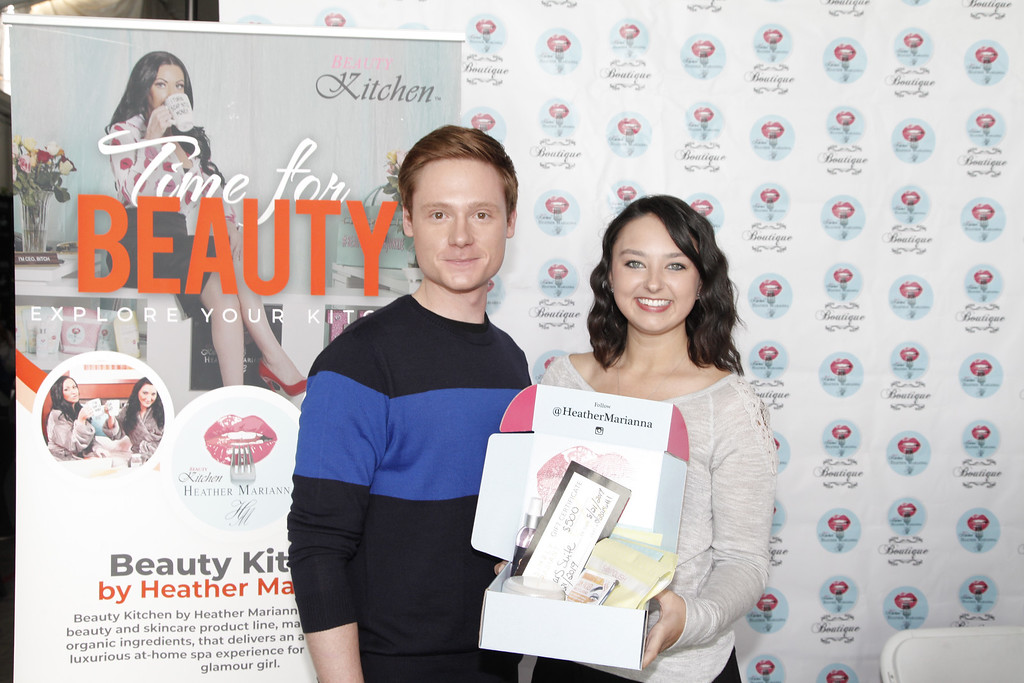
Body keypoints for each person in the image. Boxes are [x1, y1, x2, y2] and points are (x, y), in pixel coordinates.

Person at [288, 125, 530, 682]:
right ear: (408, 222)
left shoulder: (512, 362)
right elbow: (318, 548)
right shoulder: (358, 362)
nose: (461, 236)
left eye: (482, 214)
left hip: (498, 661)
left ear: (510, 222)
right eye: (439, 214)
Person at [531, 195, 777, 683]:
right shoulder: (564, 381)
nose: (653, 283)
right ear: (609, 275)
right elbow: (538, 512)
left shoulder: (729, 406)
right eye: (635, 263)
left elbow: (744, 561)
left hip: (680, 669)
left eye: (676, 265)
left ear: (701, 282)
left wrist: (689, 619)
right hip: (567, 652)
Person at [105, 51, 305, 394]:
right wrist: (152, 141)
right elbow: (133, 193)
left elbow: (210, 189)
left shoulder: (188, 141)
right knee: (223, 266)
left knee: (226, 302)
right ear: (144, 88)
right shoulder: (123, 132)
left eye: (179, 86)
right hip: (137, 242)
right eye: (161, 84)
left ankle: (235, 398)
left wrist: (229, 221)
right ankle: (275, 359)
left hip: (176, 242)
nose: (171, 94)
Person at [102, 376, 164, 460]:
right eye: (145, 393)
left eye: (153, 394)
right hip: (138, 455)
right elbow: (116, 434)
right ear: (137, 392)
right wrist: (111, 416)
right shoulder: (128, 410)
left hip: (160, 453)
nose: (149, 398)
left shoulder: (163, 411)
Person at [46, 376, 104, 461]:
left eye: (74, 387)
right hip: (62, 460)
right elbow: (73, 446)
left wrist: (97, 448)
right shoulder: (56, 416)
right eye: (66, 389)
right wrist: (81, 420)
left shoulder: (78, 410)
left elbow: (89, 439)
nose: (73, 392)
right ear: (59, 394)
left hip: (78, 457)